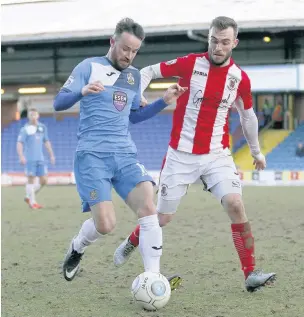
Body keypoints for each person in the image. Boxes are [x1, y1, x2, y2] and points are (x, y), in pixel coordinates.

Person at [113, 16, 276, 293]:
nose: (218, 47)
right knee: (161, 218)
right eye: (214, 40)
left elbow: (247, 116)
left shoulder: (239, 78)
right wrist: (137, 94)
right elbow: (148, 71)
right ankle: (132, 240)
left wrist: (256, 152)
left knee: (236, 205)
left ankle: (250, 273)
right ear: (208, 38)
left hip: (217, 154)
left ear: (234, 43)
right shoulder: (190, 63)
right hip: (180, 156)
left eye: (225, 42)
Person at [53, 18, 186, 288]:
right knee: (105, 225)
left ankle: (154, 276)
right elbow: (58, 102)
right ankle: (77, 247)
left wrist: (164, 101)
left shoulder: (133, 76)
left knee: (149, 207)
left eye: (135, 50)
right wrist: (82, 91)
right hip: (92, 156)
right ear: (112, 42)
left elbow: (134, 117)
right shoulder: (88, 67)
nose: (129, 55)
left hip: (124, 154)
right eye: (125, 48)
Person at [17, 108, 56, 209]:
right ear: (28, 116)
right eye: (31, 115)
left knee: (44, 180)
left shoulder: (42, 127)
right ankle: (32, 202)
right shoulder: (25, 129)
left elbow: (46, 141)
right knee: (31, 180)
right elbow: (19, 143)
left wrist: (51, 155)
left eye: (34, 115)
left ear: (38, 116)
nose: (33, 117)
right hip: (30, 158)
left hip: (40, 159)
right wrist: (21, 156)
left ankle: (28, 196)